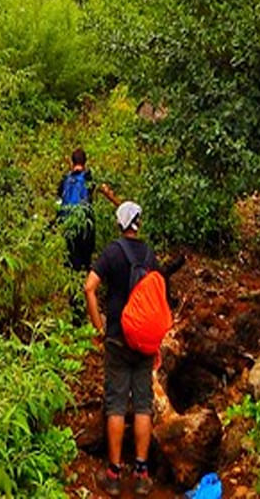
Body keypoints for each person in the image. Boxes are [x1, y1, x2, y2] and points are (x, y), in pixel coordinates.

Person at [84, 201, 158, 497]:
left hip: (116, 338)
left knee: (115, 404)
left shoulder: (112, 252)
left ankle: (114, 474)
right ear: (138, 223)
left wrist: (98, 326)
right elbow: (159, 299)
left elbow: (90, 286)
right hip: (144, 342)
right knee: (143, 404)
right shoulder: (150, 255)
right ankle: (141, 473)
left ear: (119, 223)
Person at [56, 147, 119, 271]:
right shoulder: (89, 177)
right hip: (85, 225)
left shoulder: (65, 180)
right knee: (86, 261)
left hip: (68, 226)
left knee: (72, 262)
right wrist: (120, 204)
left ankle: (74, 286)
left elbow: (58, 202)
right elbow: (106, 191)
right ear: (85, 162)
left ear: (72, 162)